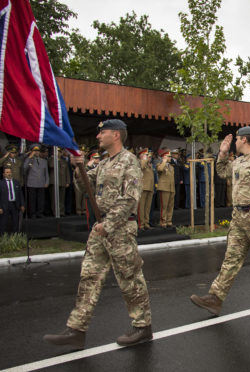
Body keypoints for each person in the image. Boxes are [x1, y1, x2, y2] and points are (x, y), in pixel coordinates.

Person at [43, 119, 152, 349]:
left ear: (116, 135)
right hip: (100, 229)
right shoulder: (103, 164)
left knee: (129, 278)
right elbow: (85, 186)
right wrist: (77, 166)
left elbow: (130, 198)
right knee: (89, 276)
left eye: (102, 132)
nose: (98, 136)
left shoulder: (129, 161)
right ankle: (76, 329)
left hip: (119, 229)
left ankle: (142, 327)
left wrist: (109, 224)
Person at [190, 127, 250, 316]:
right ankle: (215, 298)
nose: (234, 141)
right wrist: (223, 152)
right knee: (231, 258)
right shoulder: (239, 161)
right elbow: (221, 171)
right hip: (239, 218)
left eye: (236, 139)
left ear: (244, 139)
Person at [23, 144, 49, 218]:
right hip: (31, 183)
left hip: (41, 182)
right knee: (32, 200)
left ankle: (40, 212)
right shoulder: (28, 159)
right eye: (35, 151)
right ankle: (32, 213)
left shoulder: (43, 161)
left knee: (41, 199)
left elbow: (46, 173)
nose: (36, 152)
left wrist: (47, 181)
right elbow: (24, 168)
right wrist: (30, 157)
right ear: (31, 151)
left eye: (38, 151)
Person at [0, 167, 25, 235]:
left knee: (15, 222)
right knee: (3, 222)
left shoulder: (16, 182)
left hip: (15, 204)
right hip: (5, 205)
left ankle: (15, 237)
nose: (9, 174)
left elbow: (20, 194)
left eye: (10, 172)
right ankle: (2, 238)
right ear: (4, 174)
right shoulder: (1, 183)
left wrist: (22, 205)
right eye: (7, 172)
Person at [48, 148, 71, 217]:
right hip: (54, 182)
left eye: (60, 152)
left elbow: (67, 172)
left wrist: (68, 181)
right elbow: (51, 166)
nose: (59, 153)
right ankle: (55, 212)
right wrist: (54, 158)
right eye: (57, 152)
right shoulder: (51, 160)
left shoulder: (63, 161)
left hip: (62, 182)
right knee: (54, 198)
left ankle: (61, 211)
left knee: (62, 198)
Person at [156, 149, 175, 228]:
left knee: (170, 206)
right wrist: (163, 161)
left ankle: (169, 221)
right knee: (164, 206)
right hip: (164, 188)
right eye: (168, 156)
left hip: (171, 188)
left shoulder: (171, 167)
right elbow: (159, 170)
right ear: (164, 157)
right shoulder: (160, 164)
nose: (170, 158)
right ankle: (163, 221)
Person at [138, 149, 154, 230]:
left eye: (148, 156)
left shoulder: (149, 164)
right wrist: (144, 159)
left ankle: (146, 223)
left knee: (147, 207)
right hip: (143, 188)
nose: (148, 157)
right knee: (141, 207)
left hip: (149, 187)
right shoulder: (140, 162)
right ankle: (141, 224)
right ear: (141, 155)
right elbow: (141, 167)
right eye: (146, 155)